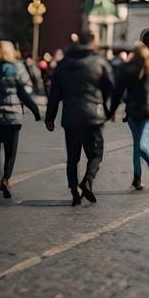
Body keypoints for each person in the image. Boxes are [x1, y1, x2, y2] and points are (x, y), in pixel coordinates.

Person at [45, 29, 114, 205]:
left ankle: (74, 189)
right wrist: (108, 109)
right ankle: (87, 182)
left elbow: (55, 93)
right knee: (96, 154)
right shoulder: (99, 62)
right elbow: (111, 87)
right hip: (94, 116)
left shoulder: (63, 63)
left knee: (72, 157)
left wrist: (50, 117)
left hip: (71, 116)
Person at [0, 41, 41, 199]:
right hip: (12, 119)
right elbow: (23, 94)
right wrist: (36, 111)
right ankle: (6, 179)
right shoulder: (14, 69)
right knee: (10, 153)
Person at [108, 43, 149, 190]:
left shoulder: (127, 69)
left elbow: (118, 92)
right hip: (145, 111)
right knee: (138, 145)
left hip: (135, 110)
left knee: (139, 145)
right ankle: (141, 176)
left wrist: (112, 110)